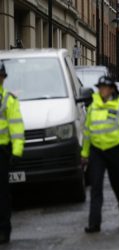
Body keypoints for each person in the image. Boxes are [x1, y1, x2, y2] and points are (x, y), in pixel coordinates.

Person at [81, 76, 119, 233]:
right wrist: (84, 153)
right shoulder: (93, 107)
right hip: (96, 151)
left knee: (118, 186)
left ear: (112, 89)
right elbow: (87, 132)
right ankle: (94, 224)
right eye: (100, 87)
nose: (102, 90)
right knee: (96, 187)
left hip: (115, 151)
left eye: (105, 87)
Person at [0, 61, 25, 244]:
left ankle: (4, 230)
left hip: (2, 151)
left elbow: (16, 128)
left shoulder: (8, 100)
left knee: (2, 194)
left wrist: (16, 152)